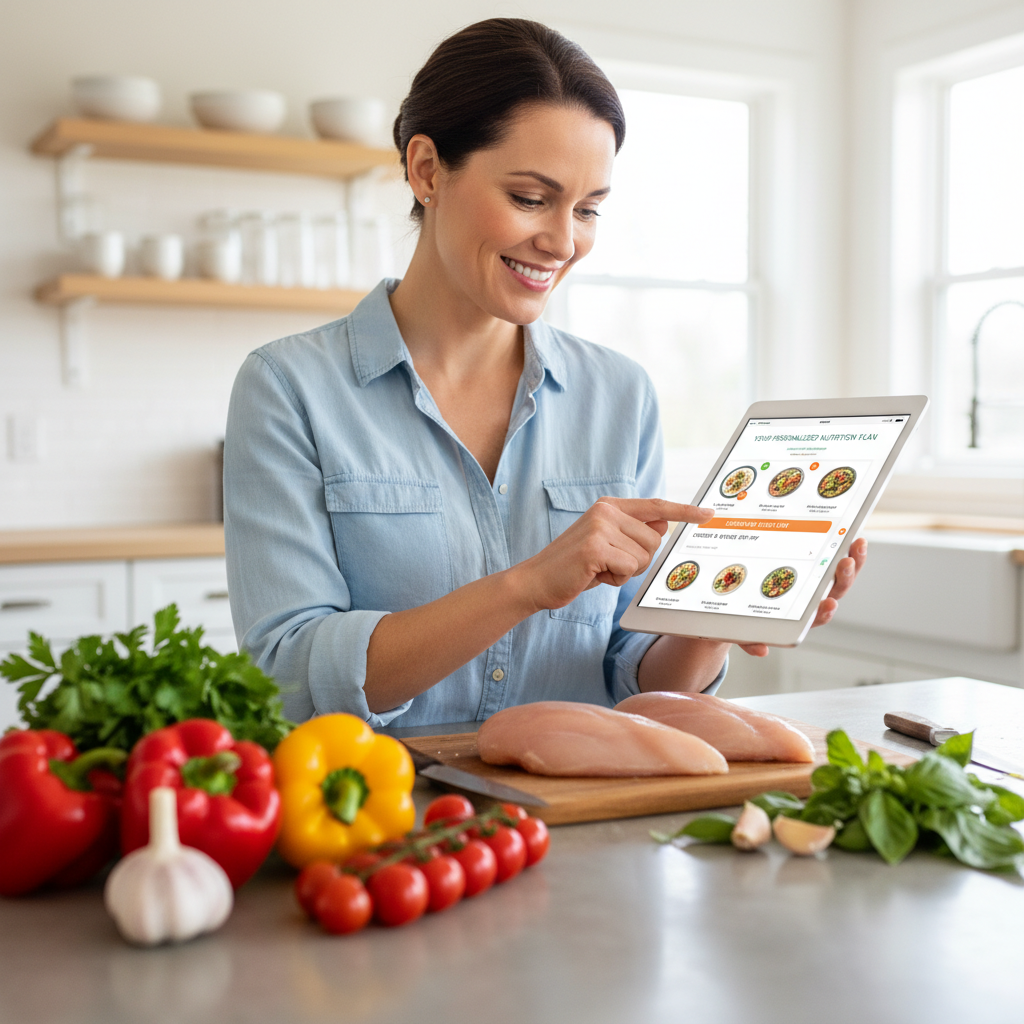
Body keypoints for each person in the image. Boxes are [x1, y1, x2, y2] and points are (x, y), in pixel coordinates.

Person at [223, 18, 866, 728]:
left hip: (582, 820)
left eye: (588, 209)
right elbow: (287, 675)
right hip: (382, 815)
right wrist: (527, 585)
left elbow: (634, 676)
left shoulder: (619, 395)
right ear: (427, 169)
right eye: (531, 198)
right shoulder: (289, 388)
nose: (564, 242)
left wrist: (716, 612)